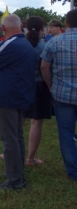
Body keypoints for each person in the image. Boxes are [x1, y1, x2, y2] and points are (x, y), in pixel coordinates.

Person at [0, 14, 36, 190]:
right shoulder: (25, 44)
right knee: (17, 136)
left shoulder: (11, 44)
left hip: (8, 96)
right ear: (21, 26)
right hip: (20, 95)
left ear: (3, 29)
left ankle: (15, 180)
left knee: (9, 138)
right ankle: (16, 171)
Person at [41, 9, 77, 181]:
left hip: (63, 94)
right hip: (63, 94)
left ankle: (73, 171)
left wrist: (51, 86)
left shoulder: (54, 42)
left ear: (66, 23)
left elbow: (44, 67)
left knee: (66, 132)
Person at [23, 16, 52, 166]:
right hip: (39, 86)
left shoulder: (21, 45)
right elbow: (45, 68)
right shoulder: (44, 47)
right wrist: (50, 86)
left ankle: (9, 151)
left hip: (21, 86)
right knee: (35, 123)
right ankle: (30, 159)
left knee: (17, 122)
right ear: (42, 29)